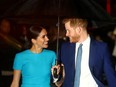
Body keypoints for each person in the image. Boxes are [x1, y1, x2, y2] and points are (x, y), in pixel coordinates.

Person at [56, 18, 116, 87]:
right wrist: (56, 74)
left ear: (79, 30)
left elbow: (111, 76)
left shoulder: (101, 48)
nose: (66, 34)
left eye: (68, 30)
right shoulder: (64, 48)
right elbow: (59, 78)